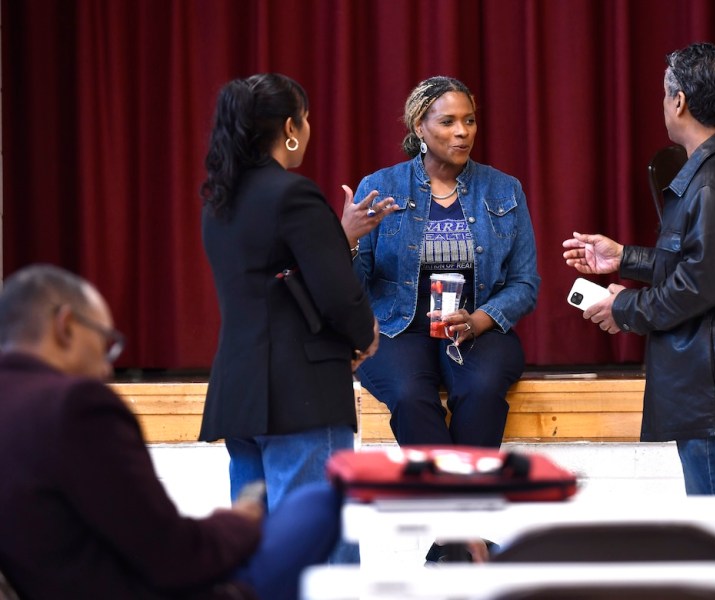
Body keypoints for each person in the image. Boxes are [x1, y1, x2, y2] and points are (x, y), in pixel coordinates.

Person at [562, 42, 715, 557]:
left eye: (665, 93)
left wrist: (620, 308)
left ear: (680, 102)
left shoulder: (711, 183)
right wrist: (623, 257)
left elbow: (697, 287)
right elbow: (707, 266)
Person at [0, 264, 343, 600]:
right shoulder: (76, 406)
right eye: (106, 343)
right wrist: (238, 523)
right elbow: (172, 556)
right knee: (320, 503)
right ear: (67, 327)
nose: (106, 368)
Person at [198, 73, 379, 564]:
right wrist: (366, 335)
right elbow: (338, 293)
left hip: (240, 390)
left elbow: (276, 280)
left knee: (261, 555)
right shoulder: (293, 194)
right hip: (302, 391)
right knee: (320, 558)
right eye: (306, 117)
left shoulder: (219, 202)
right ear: (290, 127)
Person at [344, 76, 540, 450]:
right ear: (420, 126)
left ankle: (460, 493)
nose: (462, 132)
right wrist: (349, 239)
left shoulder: (504, 189)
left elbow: (524, 283)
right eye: (447, 122)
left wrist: (480, 321)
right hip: (396, 328)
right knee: (408, 395)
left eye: (469, 121)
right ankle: (449, 494)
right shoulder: (381, 186)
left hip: (475, 326)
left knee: (481, 390)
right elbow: (356, 286)